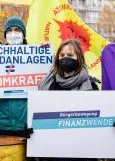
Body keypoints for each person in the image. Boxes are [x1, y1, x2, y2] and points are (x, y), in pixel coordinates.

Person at [38, 39, 98, 161]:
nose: (65, 58)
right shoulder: (49, 84)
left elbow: (98, 121)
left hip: (81, 155)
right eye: (62, 55)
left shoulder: (91, 86)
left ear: (79, 58)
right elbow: (38, 113)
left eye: (70, 55)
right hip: (52, 154)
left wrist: (112, 128)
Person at [0, 15, 33, 160]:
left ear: (23, 35)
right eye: (10, 30)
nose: (13, 34)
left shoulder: (36, 57)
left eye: (18, 30)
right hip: (2, 127)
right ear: (5, 35)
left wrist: (46, 52)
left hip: (25, 128)